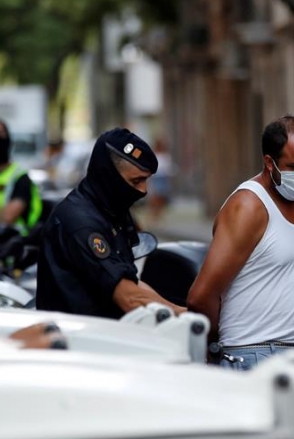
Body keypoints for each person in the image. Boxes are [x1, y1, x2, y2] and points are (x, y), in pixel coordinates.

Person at [187, 116, 294, 439]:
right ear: (269, 162)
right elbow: (201, 295)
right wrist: (222, 344)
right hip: (258, 359)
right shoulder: (248, 206)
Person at [36, 127, 184, 319]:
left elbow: (130, 281)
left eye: (146, 180)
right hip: (77, 340)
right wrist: (186, 316)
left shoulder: (110, 210)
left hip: (104, 334)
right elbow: (129, 297)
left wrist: (178, 309)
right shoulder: (82, 223)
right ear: (109, 175)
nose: (144, 190)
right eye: (136, 181)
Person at [147, 138, 173, 223]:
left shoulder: (166, 155)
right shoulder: (153, 154)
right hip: (156, 177)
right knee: (155, 197)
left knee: (162, 197)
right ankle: (153, 215)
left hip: (163, 177)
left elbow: (168, 167)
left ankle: (160, 214)